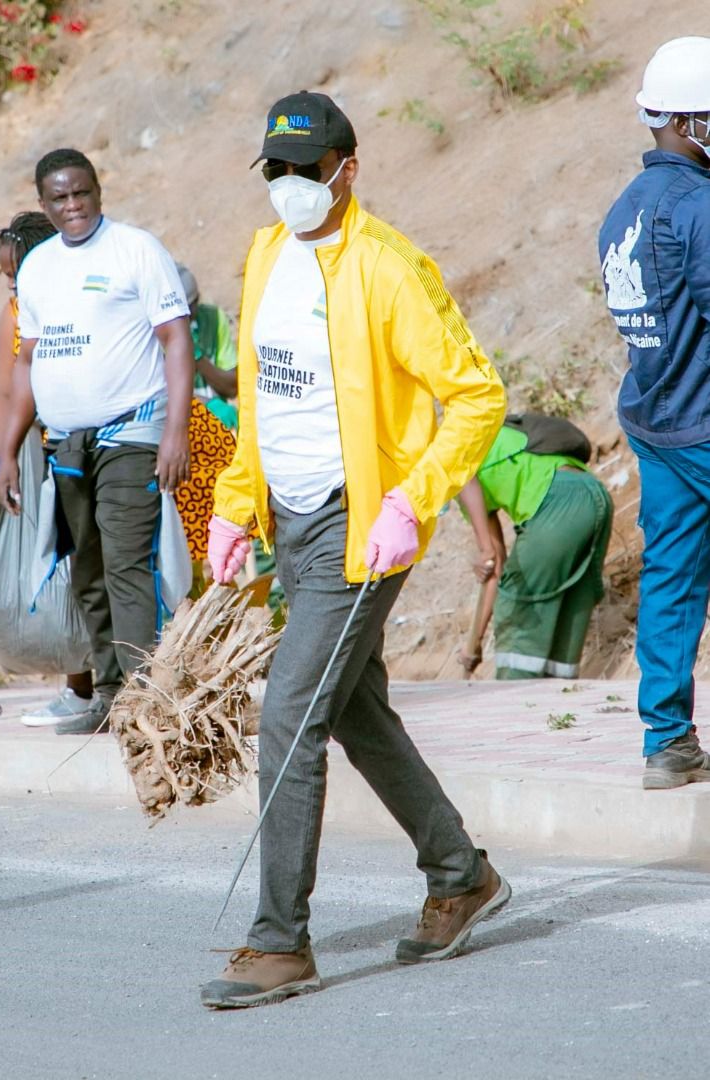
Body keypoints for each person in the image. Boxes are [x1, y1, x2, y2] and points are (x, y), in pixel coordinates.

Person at [201, 91, 509, 1009]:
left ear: (348, 168)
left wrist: (412, 502)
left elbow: (478, 395)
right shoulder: (265, 258)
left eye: (308, 168)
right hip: (289, 524)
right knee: (350, 707)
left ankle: (278, 943)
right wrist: (232, 504)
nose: (291, 186)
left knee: (291, 714)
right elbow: (262, 399)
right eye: (278, 171)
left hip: (359, 527)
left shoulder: (389, 267)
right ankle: (460, 874)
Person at [0, 149, 194, 735]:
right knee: (87, 567)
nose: (73, 205)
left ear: (98, 191)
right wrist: (8, 451)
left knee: (128, 563)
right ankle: (108, 694)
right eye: (60, 198)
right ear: (43, 204)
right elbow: (27, 362)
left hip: (131, 432)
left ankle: (142, 698)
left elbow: (175, 340)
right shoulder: (37, 270)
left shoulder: (135, 249)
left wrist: (174, 431)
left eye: (82, 193)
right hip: (66, 445)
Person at [599, 36, 710, 790]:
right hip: (703, 421)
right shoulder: (698, 206)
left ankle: (667, 741)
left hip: (656, 423)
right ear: (684, 121)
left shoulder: (622, 211)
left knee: (671, 578)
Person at [0, 211, 96, 727]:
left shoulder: (77, 289)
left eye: (18, 271)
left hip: (117, 444)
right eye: (7, 275)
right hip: (51, 452)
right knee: (70, 568)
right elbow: (5, 387)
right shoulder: (16, 310)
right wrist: (1, 460)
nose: (13, 283)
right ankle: (82, 686)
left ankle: (154, 682)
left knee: (129, 570)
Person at [457, 416, 613, 680]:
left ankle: (515, 702)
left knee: (519, 608)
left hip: (556, 500)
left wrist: (484, 551)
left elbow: (492, 562)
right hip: (596, 494)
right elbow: (497, 565)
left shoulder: (452, 466)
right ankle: (557, 706)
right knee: (571, 606)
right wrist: (473, 645)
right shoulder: (489, 435)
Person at [176, 264, 238, 430]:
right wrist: (206, 404)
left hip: (216, 425)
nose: (187, 317)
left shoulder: (213, 318)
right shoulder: (154, 333)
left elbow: (231, 387)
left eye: (191, 308)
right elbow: (160, 394)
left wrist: (197, 356)